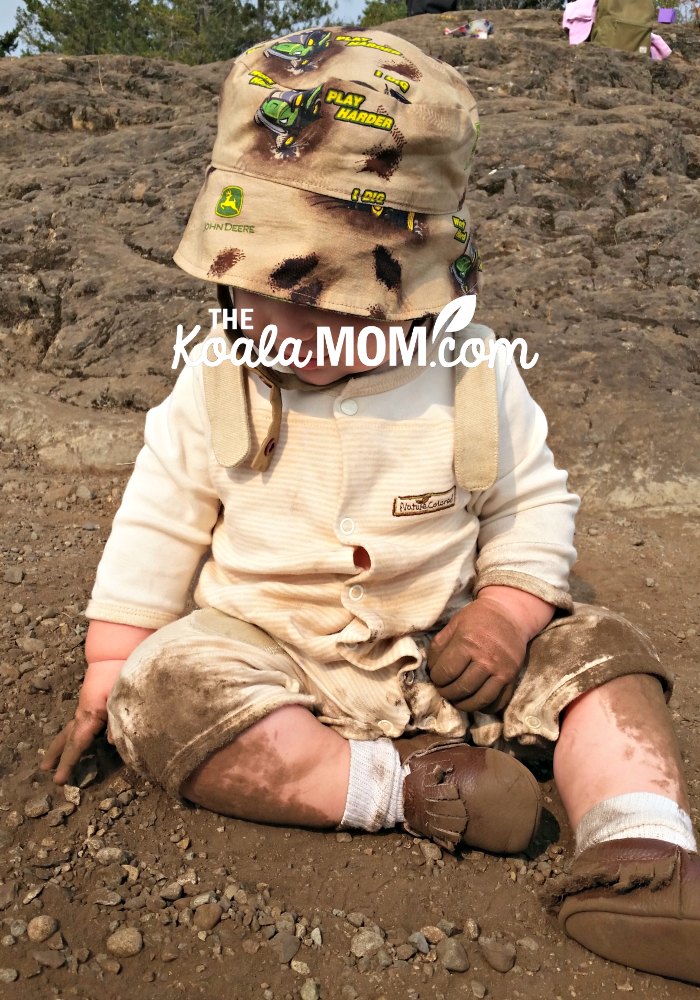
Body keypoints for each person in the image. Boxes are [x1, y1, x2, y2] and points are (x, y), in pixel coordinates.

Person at [41, 26, 698, 984]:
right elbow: (158, 520)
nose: (294, 330)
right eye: (268, 293)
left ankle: (638, 853)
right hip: (268, 651)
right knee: (164, 692)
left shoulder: (474, 376)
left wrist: (510, 613)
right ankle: (401, 788)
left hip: (453, 643)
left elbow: (533, 504)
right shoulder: (216, 381)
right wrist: (110, 661)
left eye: (335, 302)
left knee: (602, 651)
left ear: (424, 288)